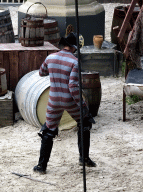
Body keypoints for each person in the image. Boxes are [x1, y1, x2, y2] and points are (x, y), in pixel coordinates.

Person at [33, 32, 97, 174]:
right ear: (74, 47)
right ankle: (84, 158)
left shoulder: (50, 57)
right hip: (69, 100)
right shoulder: (75, 62)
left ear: (63, 45)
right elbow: (73, 87)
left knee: (48, 130)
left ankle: (41, 167)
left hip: (54, 100)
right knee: (84, 123)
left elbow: (41, 72)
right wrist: (83, 106)